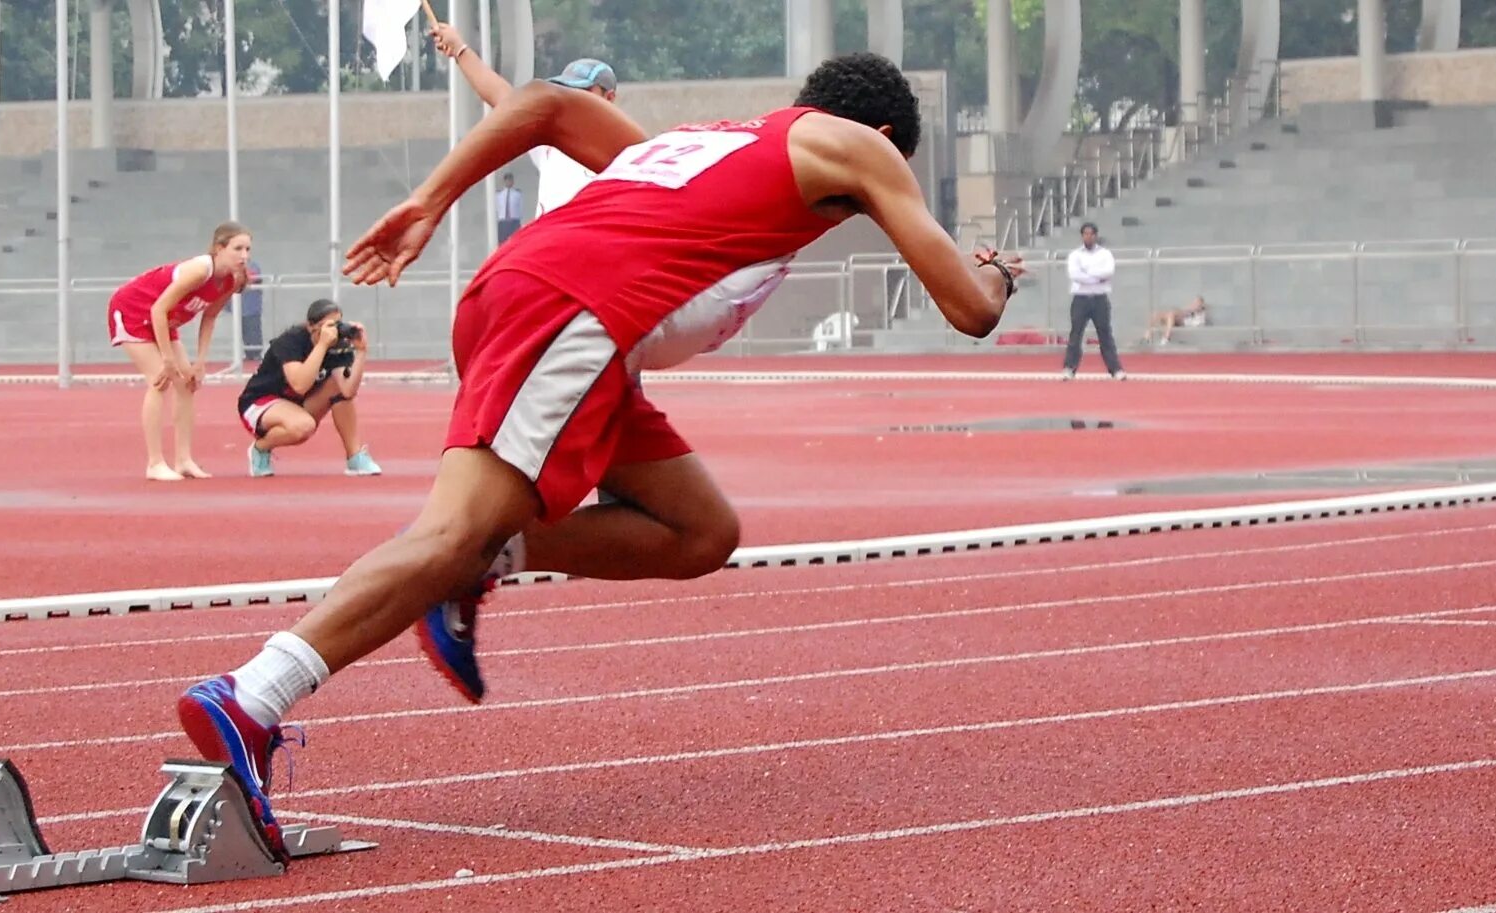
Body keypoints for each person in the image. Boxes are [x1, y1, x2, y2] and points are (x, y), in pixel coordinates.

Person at [172, 52, 1022, 864]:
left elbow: (544, 105)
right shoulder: (853, 145)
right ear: (877, 134)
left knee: (699, 530)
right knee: (448, 534)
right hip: (570, 317)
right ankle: (250, 696)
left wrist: (432, 200)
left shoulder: (713, 145)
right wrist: (998, 279)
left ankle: (487, 560)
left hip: (559, 320)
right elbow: (969, 311)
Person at [106, 222, 251, 482]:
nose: (244, 255)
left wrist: (201, 361)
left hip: (165, 320)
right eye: (237, 248)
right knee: (159, 380)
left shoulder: (230, 281)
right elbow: (157, 309)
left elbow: (209, 318)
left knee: (187, 384)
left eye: (248, 249)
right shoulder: (199, 270)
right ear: (219, 248)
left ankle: (183, 460)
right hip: (134, 311)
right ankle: (155, 463)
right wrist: (167, 358)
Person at [429, 23, 617, 222]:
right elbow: (503, 97)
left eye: (585, 91)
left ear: (609, 97)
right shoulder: (552, 142)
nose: (575, 97)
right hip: (549, 248)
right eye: (569, 90)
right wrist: (459, 50)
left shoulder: (629, 155)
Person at [238, 299, 383, 478]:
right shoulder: (291, 341)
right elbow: (299, 385)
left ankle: (355, 457)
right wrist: (322, 345)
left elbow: (347, 391)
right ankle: (261, 448)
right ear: (310, 326)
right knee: (303, 427)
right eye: (327, 325)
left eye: (337, 324)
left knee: (335, 386)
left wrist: (361, 351)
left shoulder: (338, 346)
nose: (332, 331)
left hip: (297, 403)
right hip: (262, 402)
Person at [1062, 222, 1123, 380]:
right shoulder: (1075, 255)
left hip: (1099, 299)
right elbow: (1075, 275)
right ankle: (1069, 368)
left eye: (1091, 234)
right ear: (1082, 236)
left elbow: (1108, 272)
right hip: (1081, 299)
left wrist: (1088, 274)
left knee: (1105, 334)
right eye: (1085, 234)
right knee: (1076, 334)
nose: (1088, 237)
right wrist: (1096, 278)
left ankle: (1115, 369)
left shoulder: (1105, 254)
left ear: (1096, 236)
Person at [1142, 295, 1208, 345]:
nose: (1195, 304)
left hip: (1185, 323)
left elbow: (1198, 322)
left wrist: (1192, 310)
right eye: (1194, 302)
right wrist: (1187, 310)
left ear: (1201, 304)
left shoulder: (1201, 313)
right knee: (1156, 314)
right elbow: (1183, 312)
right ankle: (1147, 336)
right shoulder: (1190, 309)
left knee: (1171, 314)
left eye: (1197, 303)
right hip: (1179, 319)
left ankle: (1166, 338)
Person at [239, 259, 266, 363]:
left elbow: (253, 278)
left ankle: (256, 354)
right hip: (242, 307)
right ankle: (249, 354)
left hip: (252, 307)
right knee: (245, 331)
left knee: (254, 329)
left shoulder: (253, 265)